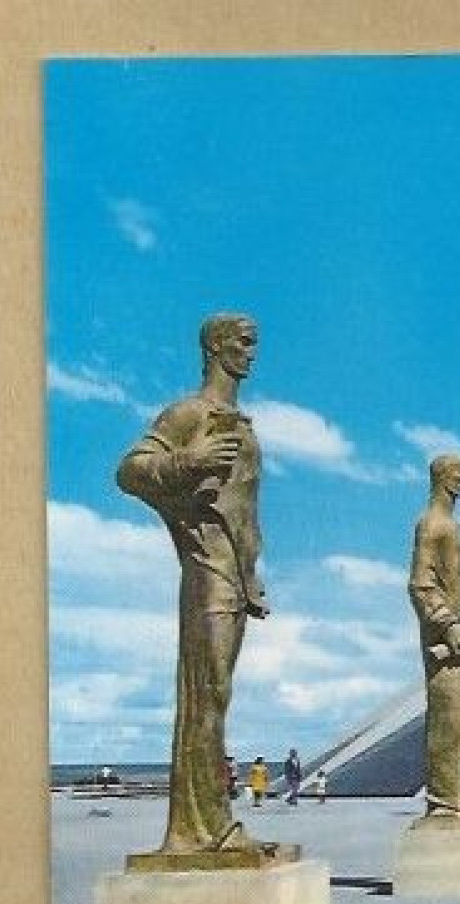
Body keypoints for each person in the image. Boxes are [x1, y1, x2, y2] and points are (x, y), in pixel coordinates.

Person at [116, 312, 269, 854]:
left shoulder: (240, 422)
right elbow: (131, 470)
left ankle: (209, 823)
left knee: (216, 695)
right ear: (217, 346)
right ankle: (200, 829)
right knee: (208, 693)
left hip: (233, 571)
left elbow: (244, 512)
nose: (253, 353)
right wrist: (189, 460)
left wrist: (252, 575)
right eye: (245, 343)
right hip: (205, 569)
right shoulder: (189, 413)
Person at [409, 454, 460, 817]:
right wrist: (448, 625)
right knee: (448, 716)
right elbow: (420, 584)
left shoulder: (453, 527)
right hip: (442, 639)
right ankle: (443, 801)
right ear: (442, 477)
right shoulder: (432, 525)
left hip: (458, 645)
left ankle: (456, 793)